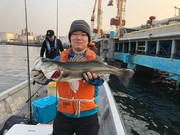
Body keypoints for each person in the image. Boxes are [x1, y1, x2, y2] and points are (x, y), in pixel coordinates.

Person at [32, 20, 104, 135]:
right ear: (70, 38)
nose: (78, 38)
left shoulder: (95, 59)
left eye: (83, 34)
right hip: (63, 114)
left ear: (88, 39)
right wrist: (41, 78)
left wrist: (94, 79)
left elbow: (101, 81)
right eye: (74, 34)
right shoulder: (58, 60)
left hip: (88, 115)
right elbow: (49, 78)